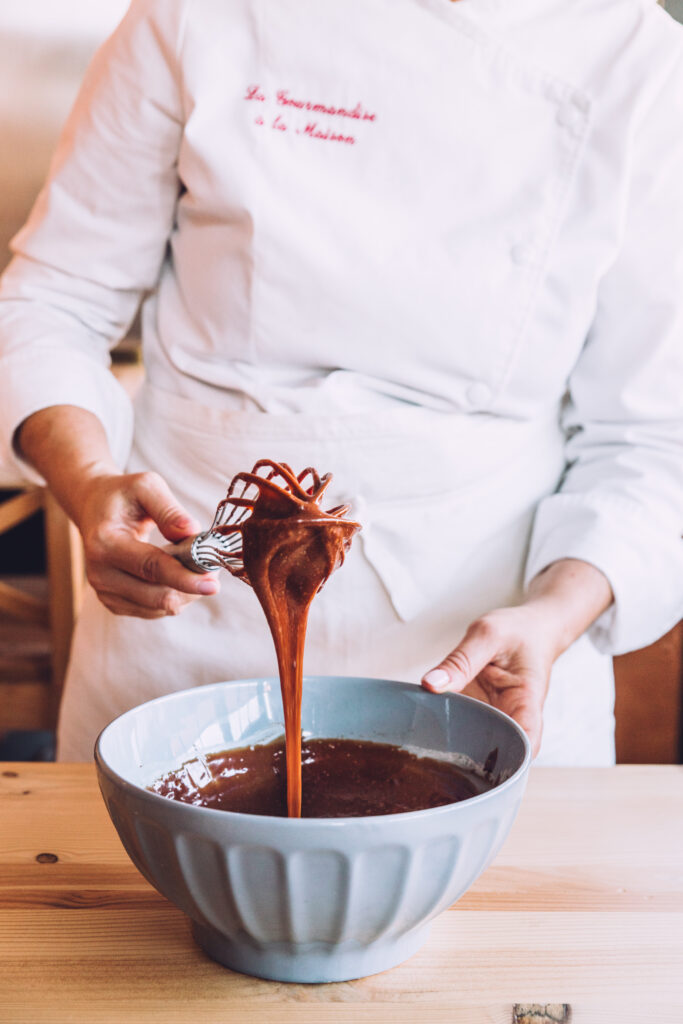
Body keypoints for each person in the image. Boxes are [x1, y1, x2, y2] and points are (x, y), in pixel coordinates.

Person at [1, 0, 682, 764]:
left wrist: (555, 616)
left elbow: (652, 437)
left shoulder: (638, 62)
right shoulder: (196, 13)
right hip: (184, 638)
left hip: (486, 671)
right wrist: (86, 479)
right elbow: (54, 301)